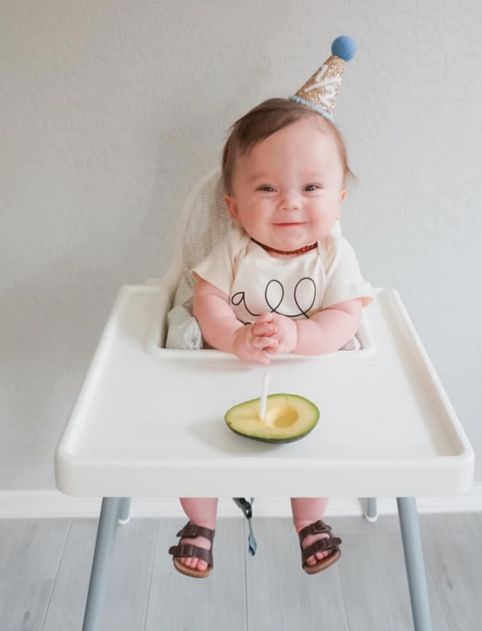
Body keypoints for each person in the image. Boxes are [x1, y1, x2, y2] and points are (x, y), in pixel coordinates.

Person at [168, 38, 373, 579]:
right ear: (233, 205)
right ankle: (201, 523)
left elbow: (346, 316)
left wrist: (300, 339)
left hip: (306, 376)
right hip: (224, 374)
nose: (290, 202)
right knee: (191, 446)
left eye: (311, 187)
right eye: (266, 187)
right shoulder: (233, 248)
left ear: (339, 200)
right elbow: (207, 298)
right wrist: (234, 337)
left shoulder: (334, 257)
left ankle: (309, 522)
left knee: (314, 450)